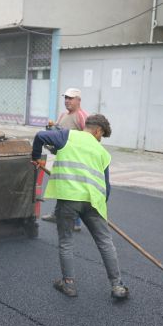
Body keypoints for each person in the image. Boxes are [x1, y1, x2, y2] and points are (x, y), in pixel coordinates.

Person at [31, 113, 129, 301]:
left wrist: (37, 157)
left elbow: (40, 136)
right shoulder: (103, 153)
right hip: (94, 202)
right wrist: (100, 209)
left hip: (69, 199)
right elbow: (106, 187)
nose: (100, 140)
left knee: (66, 241)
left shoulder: (68, 136)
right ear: (98, 130)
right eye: (101, 136)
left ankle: (68, 284)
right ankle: (117, 285)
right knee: (105, 243)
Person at [42, 88, 90, 230]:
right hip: (60, 158)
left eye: (71, 98)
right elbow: (57, 134)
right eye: (66, 98)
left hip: (75, 161)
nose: (67, 101)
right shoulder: (63, 115)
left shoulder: (82, 116)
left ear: (78, 100)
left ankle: (75, 221)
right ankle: (57, 214)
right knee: (61, 187)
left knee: (72, 190)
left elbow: (90, 139)